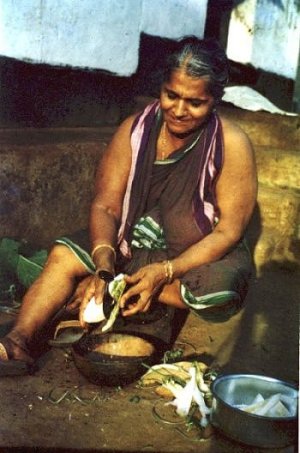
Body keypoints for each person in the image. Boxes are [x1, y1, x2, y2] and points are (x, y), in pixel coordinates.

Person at [0, 36, 257, 373]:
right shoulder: (134, 131)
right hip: (136, 239)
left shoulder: (231, 143)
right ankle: (17, 339)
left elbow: (227, 231)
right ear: (161, 88)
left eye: (196, 102)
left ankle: (114, 291)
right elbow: (106, 207)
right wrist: (105, 266)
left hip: (196, 249)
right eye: (171, 95)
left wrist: (165, 271)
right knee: (63, 254)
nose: (179, 110)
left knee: (218, 293)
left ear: (215, 101)